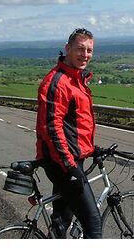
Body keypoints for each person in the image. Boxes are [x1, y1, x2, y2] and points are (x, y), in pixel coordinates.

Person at [35, 28, 102, 239]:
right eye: (80, 49)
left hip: (68, 160)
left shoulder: (76, 80)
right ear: (68, 49)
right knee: (93, 225)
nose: (85, 55)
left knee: (61, 223)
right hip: (63, 164)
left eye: (89, 50)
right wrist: (70, 166)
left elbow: (74, 126)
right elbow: (51, 128)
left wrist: (92, 149)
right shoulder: (59, 82)